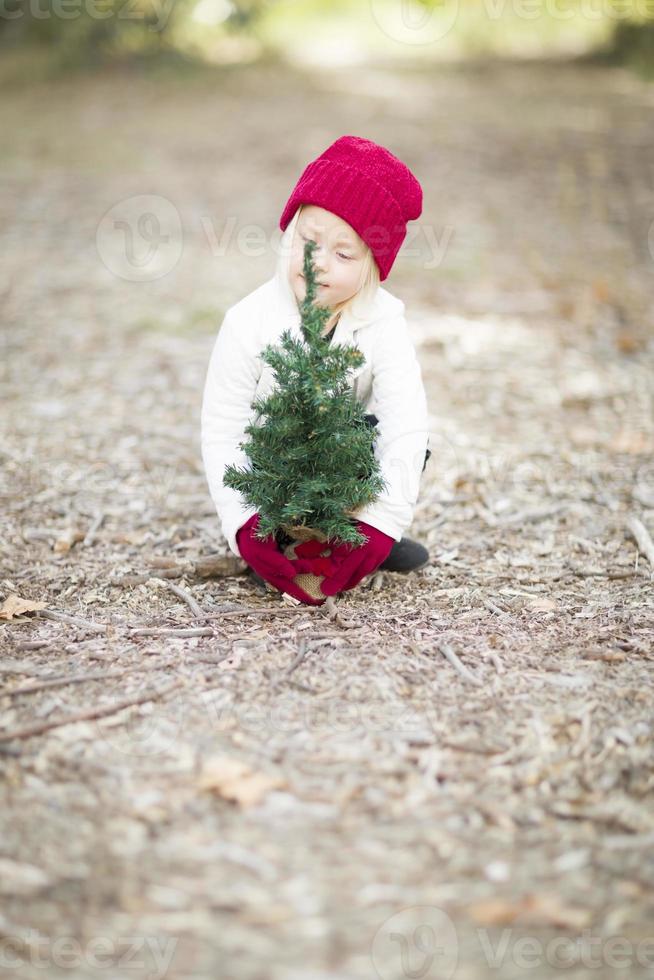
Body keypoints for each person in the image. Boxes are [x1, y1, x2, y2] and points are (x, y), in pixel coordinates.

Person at [201, 135, 431, 606]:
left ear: (372, 266)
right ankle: (283, 542)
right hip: (272, 476)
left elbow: (405, 425)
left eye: (345, 254)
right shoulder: (248, 322)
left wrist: (381, 524)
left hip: (346, 473)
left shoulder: (384, 324)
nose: (318, 262)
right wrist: (244, 527)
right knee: (278, 457)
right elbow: (223, 428)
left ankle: (346, 535)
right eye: (309, 241)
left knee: (400, 442)